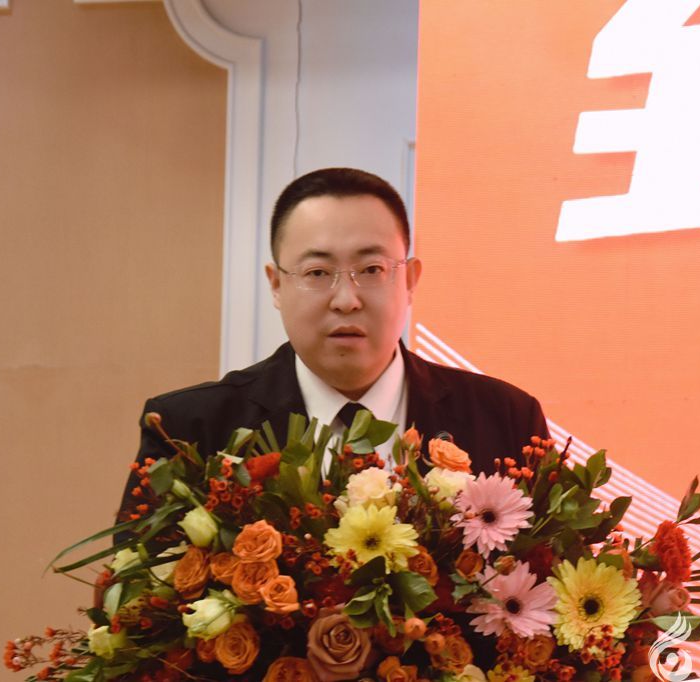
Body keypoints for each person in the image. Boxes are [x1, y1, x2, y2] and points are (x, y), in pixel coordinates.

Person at [118, 168, 547, 517]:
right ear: (276, 284)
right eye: (318, 273)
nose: (346, 300)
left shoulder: (507, 420)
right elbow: (144, 593)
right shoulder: (191, 431)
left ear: (410, 280)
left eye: (372, 269)